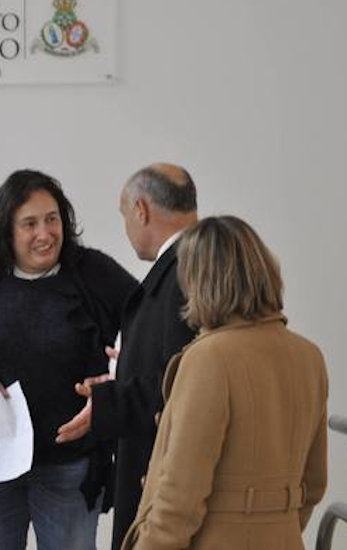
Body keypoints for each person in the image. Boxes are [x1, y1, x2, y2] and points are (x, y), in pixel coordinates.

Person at [0, 169, 136, 550]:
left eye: (52, 219)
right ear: (7, 230)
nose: (45, 233)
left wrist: (116, 375)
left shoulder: (93, 272)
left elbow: (146, 329)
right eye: (30, 223)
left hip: (69, 465)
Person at [122, 216, 328, 549]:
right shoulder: (308, 356)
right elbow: (314, 483)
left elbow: (180, 497)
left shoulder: (209, 358)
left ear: (199, 280)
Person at [56, 163, 198, 550]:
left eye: (124, 214)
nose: (126, 225)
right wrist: (125, 368)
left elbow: (188, 384)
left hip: (165, 481)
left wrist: (108, 401)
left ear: (141, 209)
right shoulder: (193, 265)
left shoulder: (184, 273)